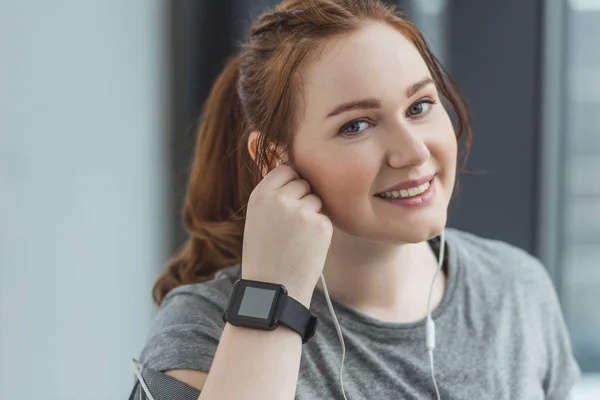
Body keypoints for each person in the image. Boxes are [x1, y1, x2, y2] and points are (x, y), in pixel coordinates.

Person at [128, 0, 580, 399]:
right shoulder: (205, 329)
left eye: (420, 106)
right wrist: (271, 296)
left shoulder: (517, 288)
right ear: (273, 157)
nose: (414, 152)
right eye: (356, 125)